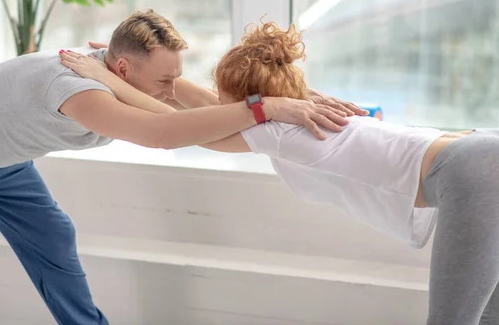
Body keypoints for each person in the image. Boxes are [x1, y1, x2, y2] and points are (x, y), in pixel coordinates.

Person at [0, 10, 361, 325]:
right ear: (122, 67)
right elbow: (165, 134)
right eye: (165, 80)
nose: (173, 87)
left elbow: (207, 110)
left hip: (1, 154)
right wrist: (265, 111)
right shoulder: (76, 88)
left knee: (54, 235)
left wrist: (296, 102)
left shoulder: (123, 74)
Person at [59, 19, 499, 325]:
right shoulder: (298, 110)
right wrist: (150, 76)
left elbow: (185, 127)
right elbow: (218, 108)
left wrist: (113, 81)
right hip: (478, 148)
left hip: (473, 172)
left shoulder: (278, 129)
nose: (224, 105)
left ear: (250, 100)